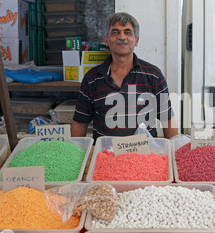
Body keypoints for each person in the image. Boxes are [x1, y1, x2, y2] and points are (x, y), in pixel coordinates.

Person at [71, 12, 178, 140]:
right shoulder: (92, 78)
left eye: (127, 32)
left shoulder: (153, 75)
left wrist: (174, 151)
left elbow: (167, 118)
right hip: (105, 154)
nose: (122, 37)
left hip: (145, 155)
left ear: (136, 40)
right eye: (115, 32)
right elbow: (80, 121)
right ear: (106, 40)